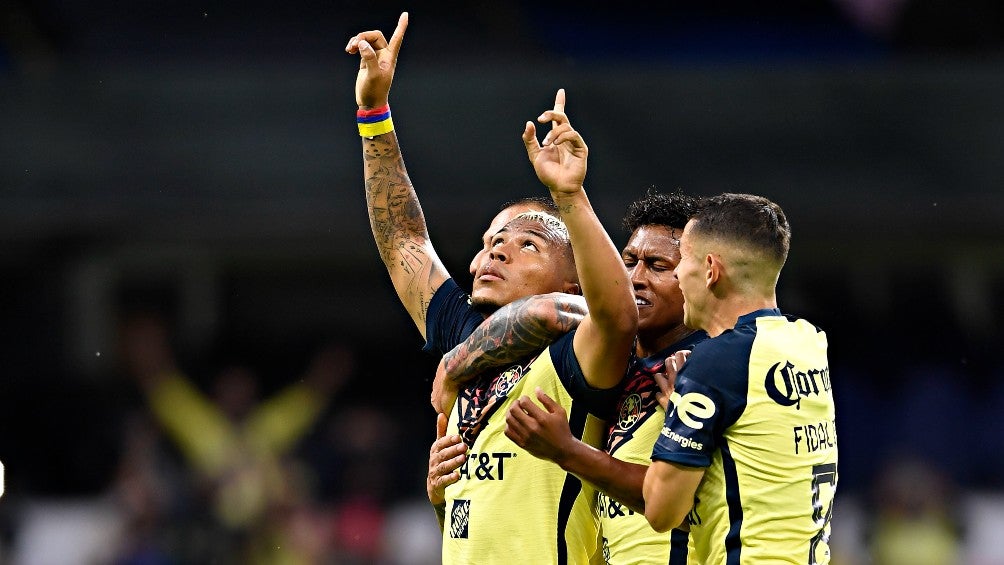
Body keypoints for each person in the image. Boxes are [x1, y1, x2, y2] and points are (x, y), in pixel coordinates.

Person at [346, 13, 638, 565]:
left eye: (527, 243)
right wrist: (374, 113)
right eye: (489, 240)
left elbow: (574, 312)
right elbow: (403, 236)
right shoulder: (468, 331)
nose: (495, 250)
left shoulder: (580, 349)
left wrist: (455, 364)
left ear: (576, 275)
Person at [429, 190, 706, 565]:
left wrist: (569, 452)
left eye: (657, 266)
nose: (635, 279)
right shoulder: (629, 370)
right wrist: (445, 497)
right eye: (628, 262)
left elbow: (675, 501)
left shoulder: (705, 369)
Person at [642, 193, 838, 564]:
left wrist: (567, 452)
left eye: (683, 258)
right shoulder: (809, 343)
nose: (679, 273)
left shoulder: (716, 362)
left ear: (712, 270)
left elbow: (661, 510)